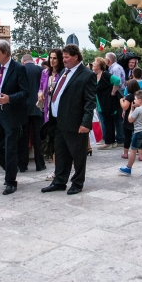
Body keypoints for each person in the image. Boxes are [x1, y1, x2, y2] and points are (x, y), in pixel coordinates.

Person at [42, 44, 97, 195]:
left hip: (75, 122)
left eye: (66, 57)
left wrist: (86, 123)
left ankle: (77, 183)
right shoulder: (64, 73)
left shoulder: (87, 75)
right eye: (63, 57)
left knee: (78, 155)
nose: (63, 60)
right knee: (61, 154)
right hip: (59, 121)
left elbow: (90, 101)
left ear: (76, 57)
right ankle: (59, 181)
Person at [0, 40, 29, 196]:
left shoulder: (19, 69)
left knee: (10, 148)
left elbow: (25, 93)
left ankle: (11, 181)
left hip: (12, 114)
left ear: (5, 53)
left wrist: (9, 98)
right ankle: (10, 168)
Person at [38, 49, 65, 180]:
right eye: (50, 58)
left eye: (55, 58)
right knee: (53, 141)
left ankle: (60, 170)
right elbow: (40, 87)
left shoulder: (64, 73)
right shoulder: (45, 73)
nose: (52, 60)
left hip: (60, 111)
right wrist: (40, 93)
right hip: (48, 111)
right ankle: (57, 171)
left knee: (59, 142)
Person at [19, 54, 47, 172]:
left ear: (23, 61)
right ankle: (40, 164)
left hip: (24, 109)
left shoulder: (20, 69)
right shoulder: (41, 70)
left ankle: (22, 165)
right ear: (31, 60)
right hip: (38, 108)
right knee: (38, 138)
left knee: (23, 138)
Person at [119, 91, 142, 177]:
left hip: (138, 132)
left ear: (140, 100)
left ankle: (128, 168)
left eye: (135, 99)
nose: (134, 101)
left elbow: (130, 119)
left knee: (133, 151)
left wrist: (131, 110)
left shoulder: (137, 110)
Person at [93, 57, 121, 150]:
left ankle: (109, 142)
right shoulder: (96, 75)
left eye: (95, 63)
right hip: (100, 102)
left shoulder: (105, 74)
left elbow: (117, 80)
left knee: (108, 121)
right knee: (107, 121)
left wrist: (113, 91)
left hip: (107, 102)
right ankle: (111, 141)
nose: (93, 64)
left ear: (99, 66)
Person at [105, 52, 125, 146]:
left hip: (118, 95)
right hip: (118, 94)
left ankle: (121, 138)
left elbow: (117, 82)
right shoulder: (115, 67)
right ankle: (120, 137)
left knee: (118, 117)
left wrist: (112, 92)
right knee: (117, 117)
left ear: (108, 60)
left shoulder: (115, 68)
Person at [120, 79, 141, 160]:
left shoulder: (129, 96)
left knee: (127, 136)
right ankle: (140, 154)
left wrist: (121, 101)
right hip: (138, 118)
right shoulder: (139, 96)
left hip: (129, 118)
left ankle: (125, 153)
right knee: (138, 136)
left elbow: (125, 106)